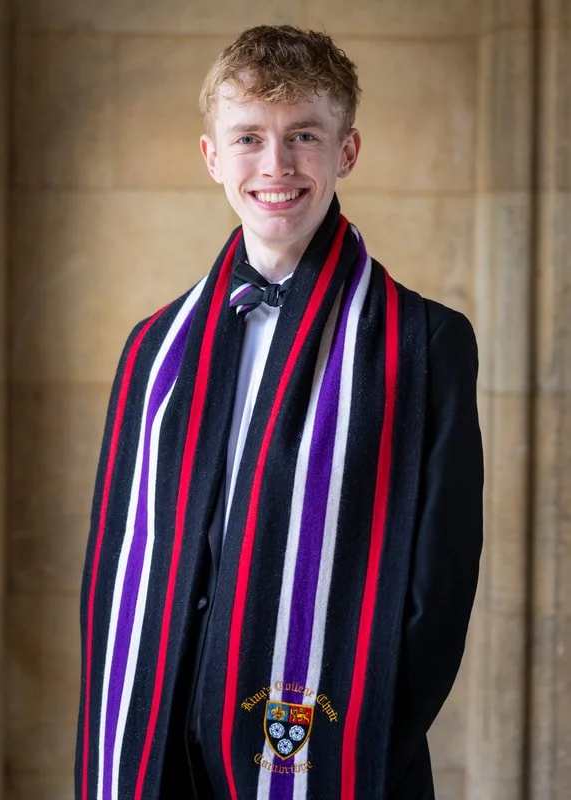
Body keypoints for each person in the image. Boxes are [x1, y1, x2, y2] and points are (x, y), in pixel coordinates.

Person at [75, 25, 483, 800]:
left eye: (303, 135)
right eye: (249, 139)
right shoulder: (154, 348)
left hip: (336, 745)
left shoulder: (423, 344)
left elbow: (438, 594)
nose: (276, 166)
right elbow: (117, 559)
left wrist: (345, 743)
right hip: (164, 746)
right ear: (212, 158)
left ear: (346, 151)